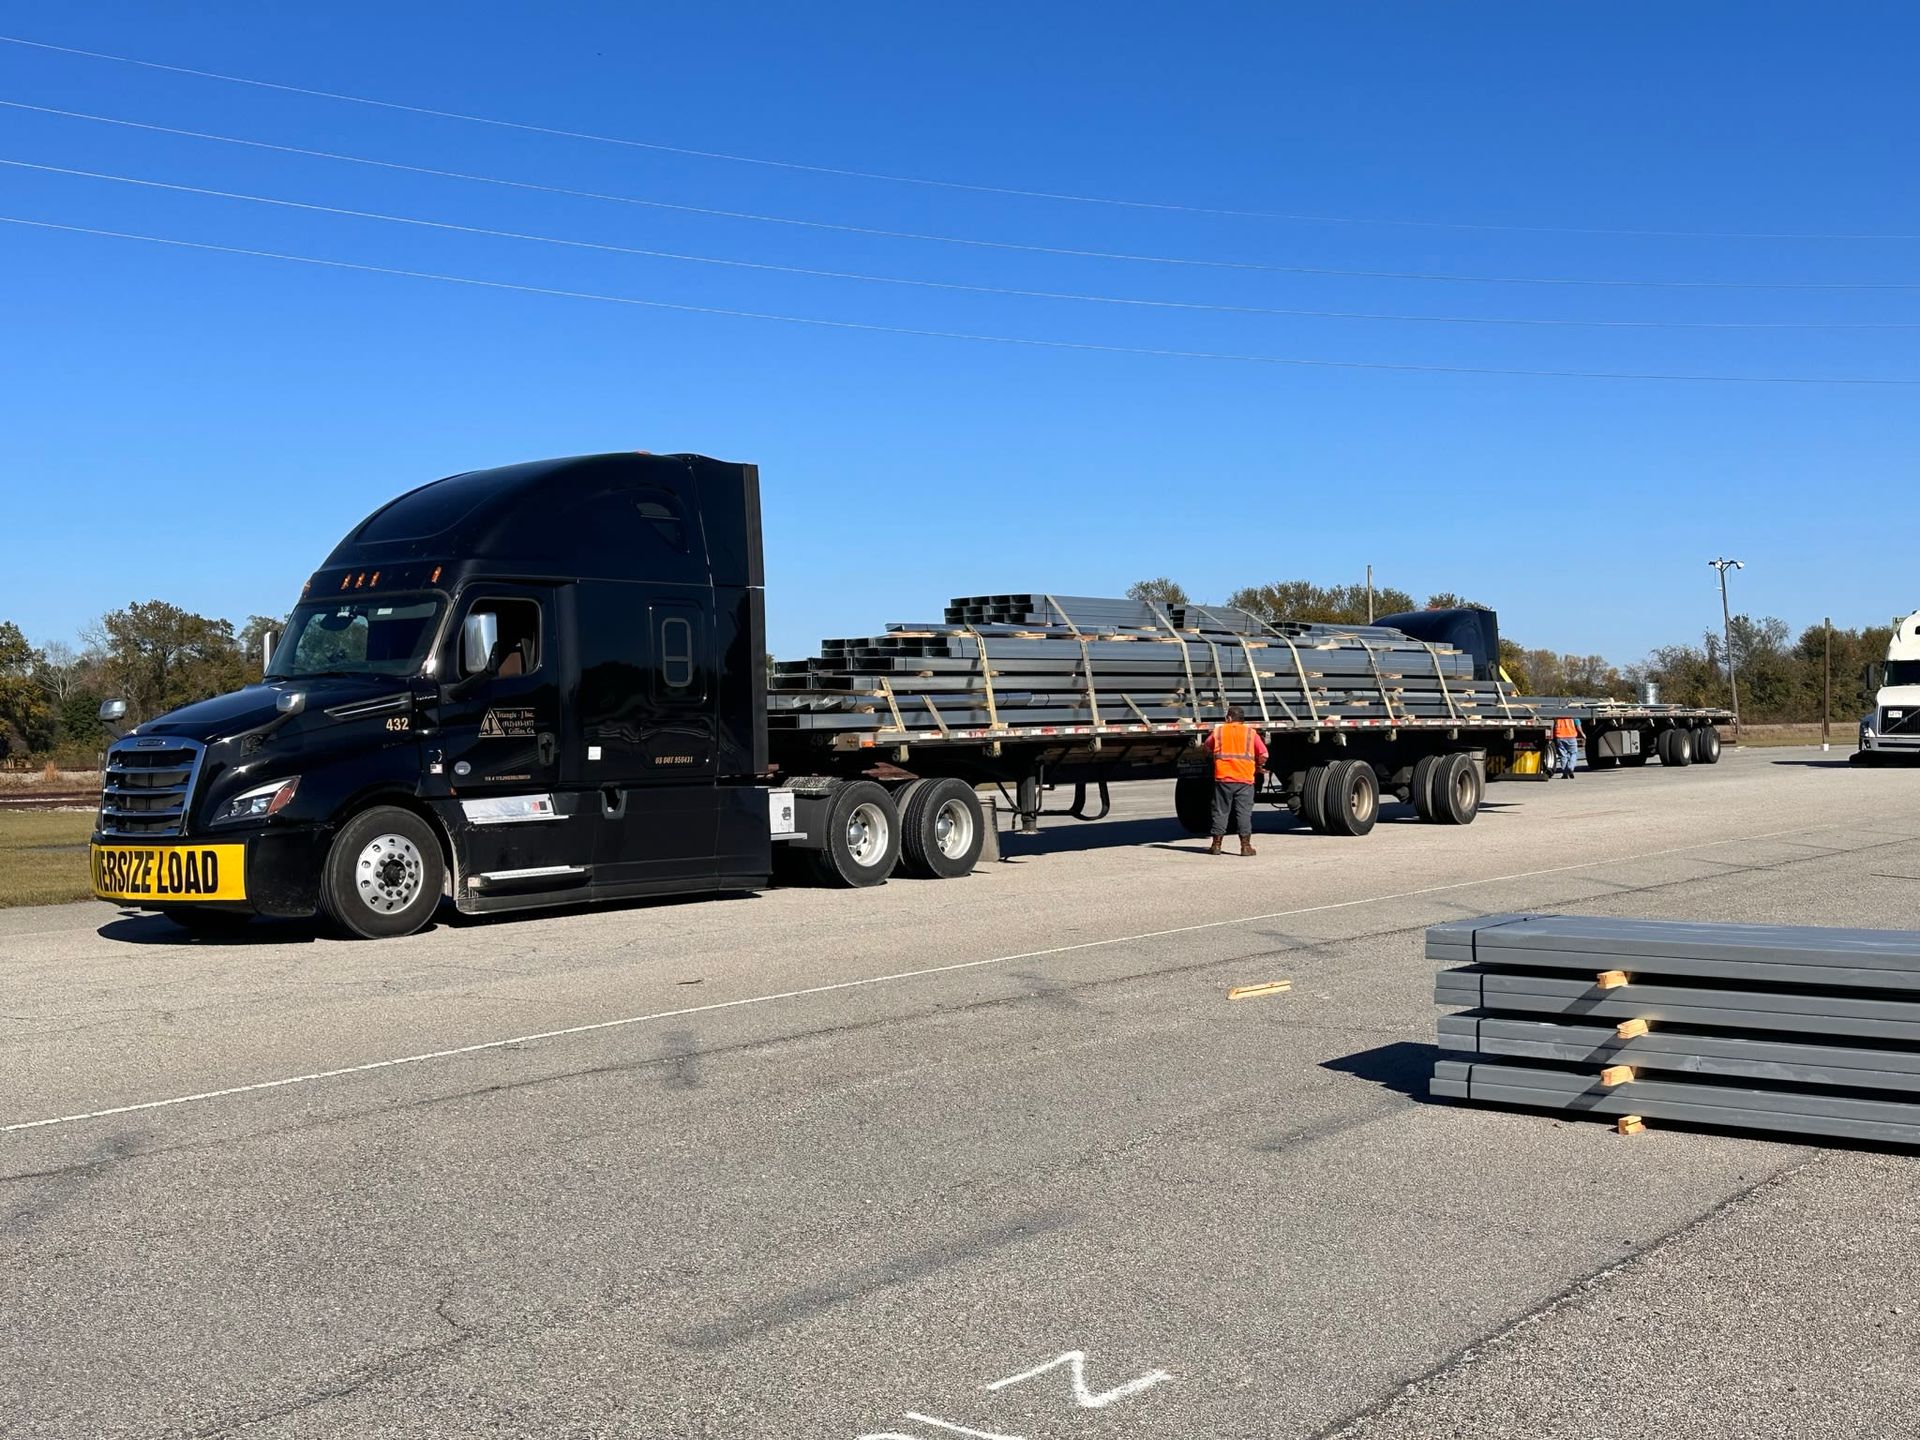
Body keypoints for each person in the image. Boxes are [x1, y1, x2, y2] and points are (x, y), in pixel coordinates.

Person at [1205, 704, 1269, 855]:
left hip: (1223, 777)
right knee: (1244, 813)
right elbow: (1264, 754)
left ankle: (1216, 845)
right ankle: (1245, 847)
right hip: (1245, 778)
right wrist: (1258, 765)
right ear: (1242, 720)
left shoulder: (1219, 731)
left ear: (1228, 718)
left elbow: (1207, 747)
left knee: (1221, 811)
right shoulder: (1251, 733)